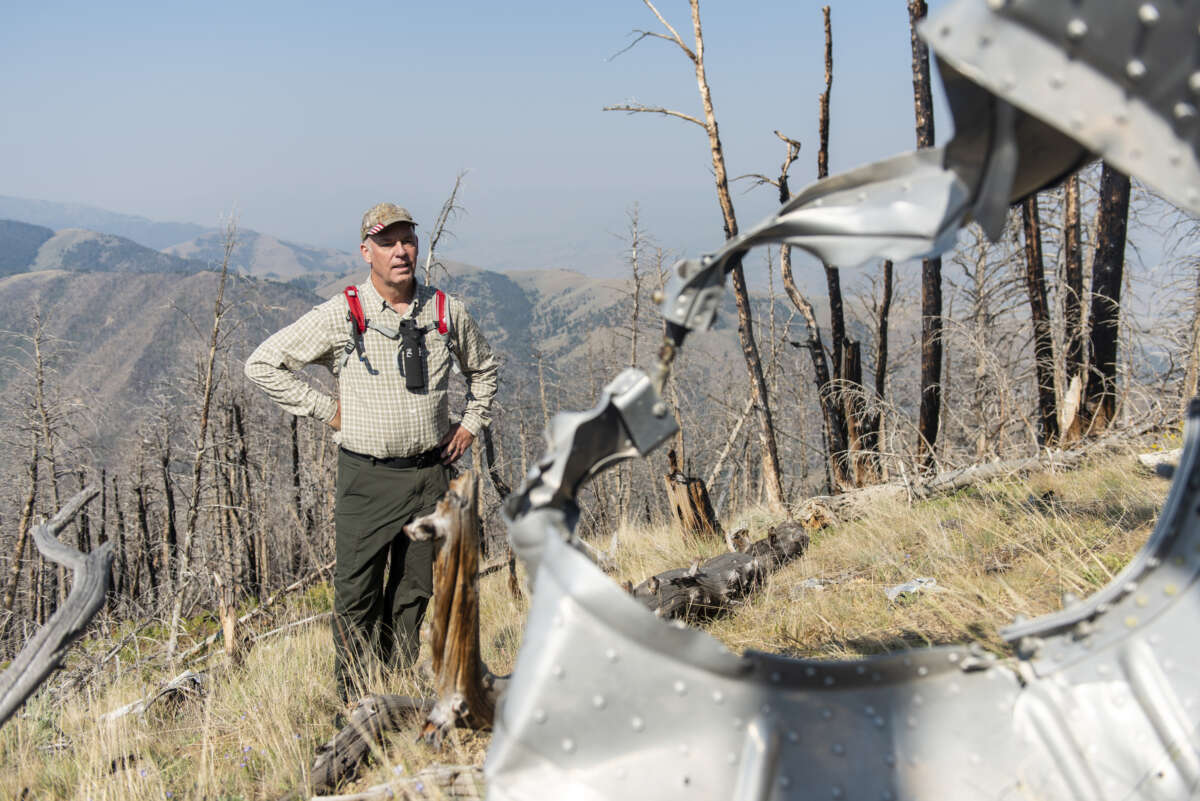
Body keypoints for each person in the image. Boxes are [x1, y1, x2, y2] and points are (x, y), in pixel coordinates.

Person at [245, 202, 498, 703]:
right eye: (387, 242)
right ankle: (353, 698)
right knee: (356, 594)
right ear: (367, 252)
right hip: (366, 477)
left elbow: (485, 370)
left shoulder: (445, 312)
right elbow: (262, 363)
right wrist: (327, 410)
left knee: (416, 590)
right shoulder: (343, 314)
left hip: (430, 473)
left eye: (407, 240)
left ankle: (393, 685)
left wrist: (469, 423)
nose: (400, 251)